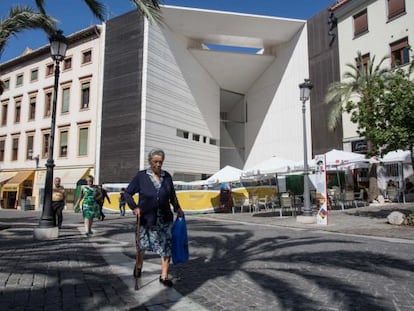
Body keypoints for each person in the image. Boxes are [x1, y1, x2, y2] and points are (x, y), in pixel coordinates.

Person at [124, 148, 184, 287]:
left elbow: (172, 196)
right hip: (146, 219)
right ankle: (138, 266)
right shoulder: (141, 176)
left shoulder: (167, 176)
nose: (158, 164)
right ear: (149, 161)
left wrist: (178, 208)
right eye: (155, 162)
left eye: (160, 162)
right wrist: (135, 207)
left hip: (165, 219)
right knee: (142, 246)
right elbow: (127, 193)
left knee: (166, 247)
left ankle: (164, 276)